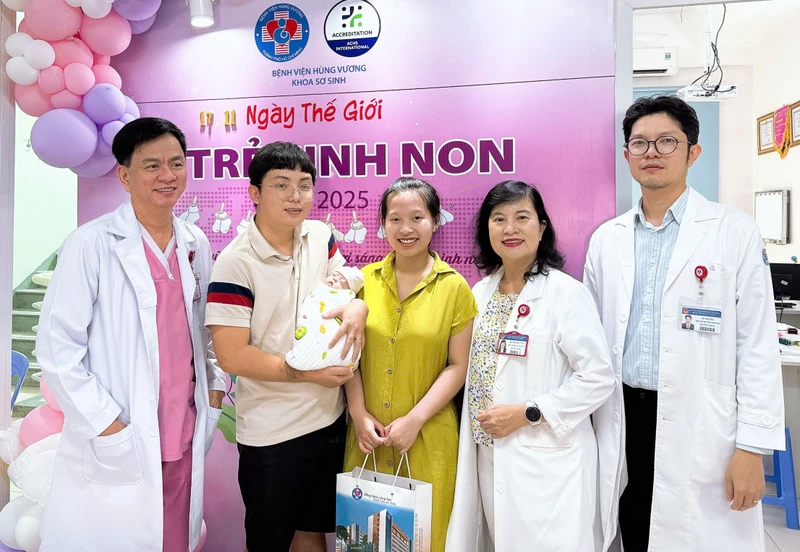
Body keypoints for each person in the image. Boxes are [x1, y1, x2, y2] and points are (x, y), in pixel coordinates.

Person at [584, 95, 785, 552]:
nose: (651, 152)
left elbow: (757, 346)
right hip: (621, 416)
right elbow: (590, 340)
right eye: (640, 143)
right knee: (632, 529)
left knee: (697, 535)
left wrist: (752, 448)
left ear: (693, 152)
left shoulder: (734, 231)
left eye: (667, 141)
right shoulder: (606, 239)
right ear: (626, 155)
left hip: (703, 422)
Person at [35, 118, 226, 552]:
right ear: (124, 175)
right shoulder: (91, 243)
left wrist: (214, 391)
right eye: (152, 165)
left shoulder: (194, 242)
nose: (167, 175)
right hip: (119, 433)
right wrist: (106, 423)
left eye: (176, 163)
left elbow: (205, 331)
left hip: (183, 429)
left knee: (173, 540)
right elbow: (57, 349)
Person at [206, 141, 368, 552]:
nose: (296, 196)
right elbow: (231, 355)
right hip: (271, 431)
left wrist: (359, 307)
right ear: (255, 193)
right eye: (281, 185)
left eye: (304, 185)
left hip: (328, 419)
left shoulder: (320, 236)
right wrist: (303, 374)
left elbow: (342, 287)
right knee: (270, 540)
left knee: (313, 531)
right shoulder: (235, 262)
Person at [446, 180, 615, 552]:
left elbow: (599, 378)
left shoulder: (566, 293)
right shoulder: (480, 293)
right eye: (499, 219)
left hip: (547, 461)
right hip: (491, 458)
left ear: (541, 228)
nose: (510, 228)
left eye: (522, 217)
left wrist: (529, 412)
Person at [343, 177, 477, 552]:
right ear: (383, 224)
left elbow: (458, 366)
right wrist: (358, 413)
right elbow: (348, 355)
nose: (406, 229)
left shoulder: (454, 287)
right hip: (367, 438)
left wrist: (415, 419)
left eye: (417, 217)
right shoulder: (362, 282)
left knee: (426, 541)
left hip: (428, 437)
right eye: (395, 219)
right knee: (364, 541)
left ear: (435, 221)